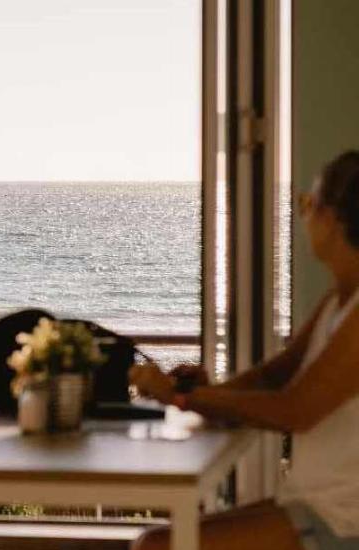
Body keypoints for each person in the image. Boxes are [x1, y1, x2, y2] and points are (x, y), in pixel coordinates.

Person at [130, 151, 359, 550]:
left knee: (156, 546)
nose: (302, 217)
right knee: (160, 538)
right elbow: (275, 374)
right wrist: (208, 396)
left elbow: (297, 410)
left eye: (307, 204)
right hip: (315, 505)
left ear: (335, 218)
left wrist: (184, 398)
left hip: (341, 523)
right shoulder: (338, 302)